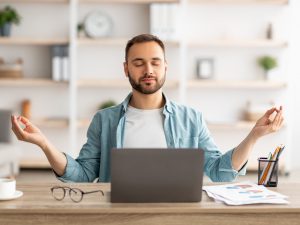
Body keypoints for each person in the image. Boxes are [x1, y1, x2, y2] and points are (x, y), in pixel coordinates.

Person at [11, 34, 284, 183]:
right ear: (126, 68)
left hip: (178, 215)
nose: (148, 70)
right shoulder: (104, 120)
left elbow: (219, 172)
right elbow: (81, 175)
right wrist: (45, 144)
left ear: (166, 67)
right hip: (116, 215)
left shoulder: (191, 118)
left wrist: (254, 135)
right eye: (138, 62)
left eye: (155, 62)